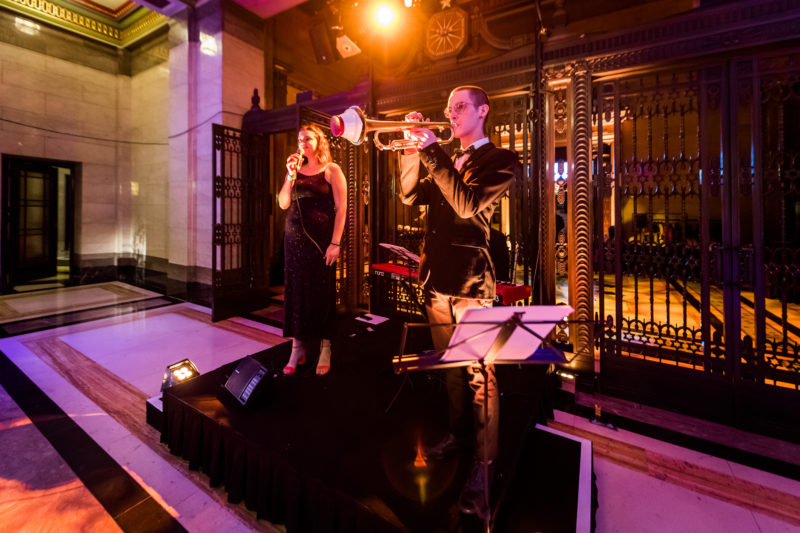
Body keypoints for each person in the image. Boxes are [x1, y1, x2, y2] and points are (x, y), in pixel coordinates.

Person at [398, 86, 520, 518]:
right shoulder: (444, 159)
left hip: (472, 287)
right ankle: (456, 435)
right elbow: (410, 196)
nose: (450, 114)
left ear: (483, 111)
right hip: (435, 282)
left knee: (479, 377)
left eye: (460, 107)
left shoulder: (501, 161)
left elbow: (467, 205)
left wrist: (434, 155)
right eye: (448, 108)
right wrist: (412, 153)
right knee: (449, 365)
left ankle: (484, 466)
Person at [278, 124, 347, 376]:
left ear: (319, 142)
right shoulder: (294, 171)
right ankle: (298, 347)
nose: (302, 142)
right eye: (299, 139)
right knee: (296, 292)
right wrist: (289, 176)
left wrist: (335, 242)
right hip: (294, 240)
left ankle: (325, 346)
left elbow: (342, 209)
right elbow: (284, 202)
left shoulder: (331, 170)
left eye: (308, 138)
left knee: (321, 291)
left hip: (321, 241)